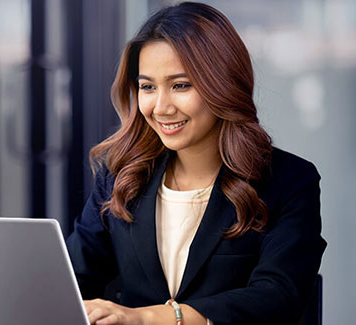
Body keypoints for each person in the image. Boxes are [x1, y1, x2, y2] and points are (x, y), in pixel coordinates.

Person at [66, 2, 327, 324]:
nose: (161, 107)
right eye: (147, 87)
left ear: (223, 84)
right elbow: (74, 279)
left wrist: (149, 318)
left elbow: (278, 295)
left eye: (180, 85)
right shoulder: (122, 174)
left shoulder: (288, 180)